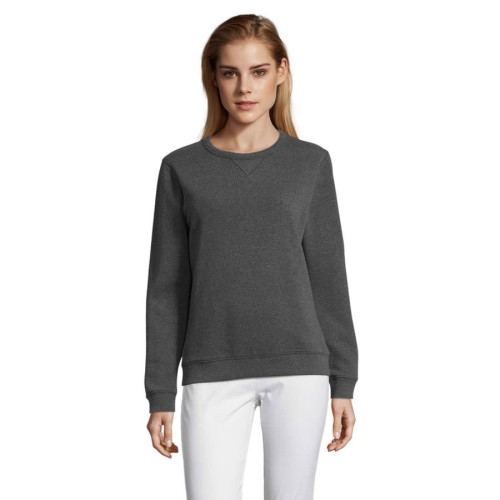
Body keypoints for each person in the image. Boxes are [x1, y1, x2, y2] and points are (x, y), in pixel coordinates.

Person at [145, 13, 359, 500]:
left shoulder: (310, 164)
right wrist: (160, 390)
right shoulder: (181, 168)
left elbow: (328, 275)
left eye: (258, 71)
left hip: (300, 368)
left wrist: (344, 379)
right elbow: (167, 287)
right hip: (211, 367)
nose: (244, 87)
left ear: (280, 72)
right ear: (214, 78)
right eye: (230, 73)